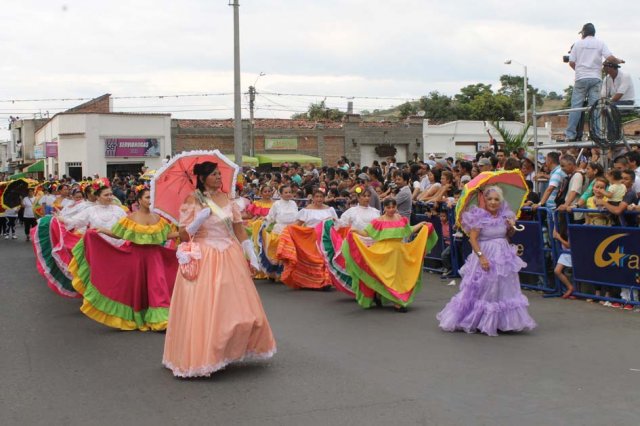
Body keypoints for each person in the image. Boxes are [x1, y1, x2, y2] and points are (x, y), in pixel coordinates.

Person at [163, 161, 276, 378]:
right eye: (213, 174)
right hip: (205, 254)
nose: (218, 177)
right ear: (203, 177)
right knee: (207, 306)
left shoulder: (227, 199)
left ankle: (228, 347)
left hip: (229, 252)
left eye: (218, 174)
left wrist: (250, 253)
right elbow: (184, 235)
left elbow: (239, 229)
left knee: (235, 306)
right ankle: (206, 353)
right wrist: (196, 221)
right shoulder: (192, 200)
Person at [69, 187, 179, 331]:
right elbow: (119, 234)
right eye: (147, 197)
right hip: (136, 257)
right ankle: (141, 317)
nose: (150, 201)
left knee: (157, 286)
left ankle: (161, 320)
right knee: (137, 289)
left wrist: (182, 231)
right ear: (139, 200)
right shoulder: (131, 218)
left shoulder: (158, 218)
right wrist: (102, 231)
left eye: (152, 198)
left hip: (155, 257)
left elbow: (165, 235)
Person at [437, 185, 536, 336]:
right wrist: (482, 256)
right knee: (484, 288)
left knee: (502, 287)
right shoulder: (479, 217)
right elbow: (473, 239)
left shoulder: (505, 216)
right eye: (490, 199)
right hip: (485, 254)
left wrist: (511, 227)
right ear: (485, 200)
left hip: (503, 256)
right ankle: (479, 320)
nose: (493, 202)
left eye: (496, 199)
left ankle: (501, 322)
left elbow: (508, 236)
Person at [344, 198, 437, 312]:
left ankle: (388, 298)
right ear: (385, 208)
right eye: (389, 207)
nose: (391, 209)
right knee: (386, 277)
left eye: (393, 207)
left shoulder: (401, 219)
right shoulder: (378, 221)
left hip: (398, 253)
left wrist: (421, 224)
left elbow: (409, 230)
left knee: (396, 278)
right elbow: (367, 233)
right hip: (383, 253)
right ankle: (395, 302)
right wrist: (356, 231)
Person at [565, 23, 624, 141]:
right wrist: (619, 61)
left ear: (584, 32)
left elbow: (571, 62)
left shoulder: (577, 44)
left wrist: (580, 71)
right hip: (595, 79)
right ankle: (596, 135)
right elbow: (610, 58)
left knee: (575, 107)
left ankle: (570, 135)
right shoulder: (600, 43)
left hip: (581, 79)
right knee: (595, 108)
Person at [277, 189, 338, 290]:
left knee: (324, 259)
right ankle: (311, 282)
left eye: (321, 197)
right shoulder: (307, 210)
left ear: (324, 198)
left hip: (326, 239)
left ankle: (325, 281)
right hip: (310, 239)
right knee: (314, 260)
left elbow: (336, 223)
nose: (319, 199)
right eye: (317, 197)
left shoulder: (330, 210)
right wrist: (288, 229)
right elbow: (298, 224)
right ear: (313, 198)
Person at [259, 185, 299, 279]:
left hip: (292, 230)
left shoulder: (293, 203)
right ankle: (277, 273)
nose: (288, 194)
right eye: (286, 192)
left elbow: (297, 217)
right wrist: (263, 222)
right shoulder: (276, 204)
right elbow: (271, 217)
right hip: (280, 230)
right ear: (280, 194)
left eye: (290, 192)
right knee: (278, 251)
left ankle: (289, 274)